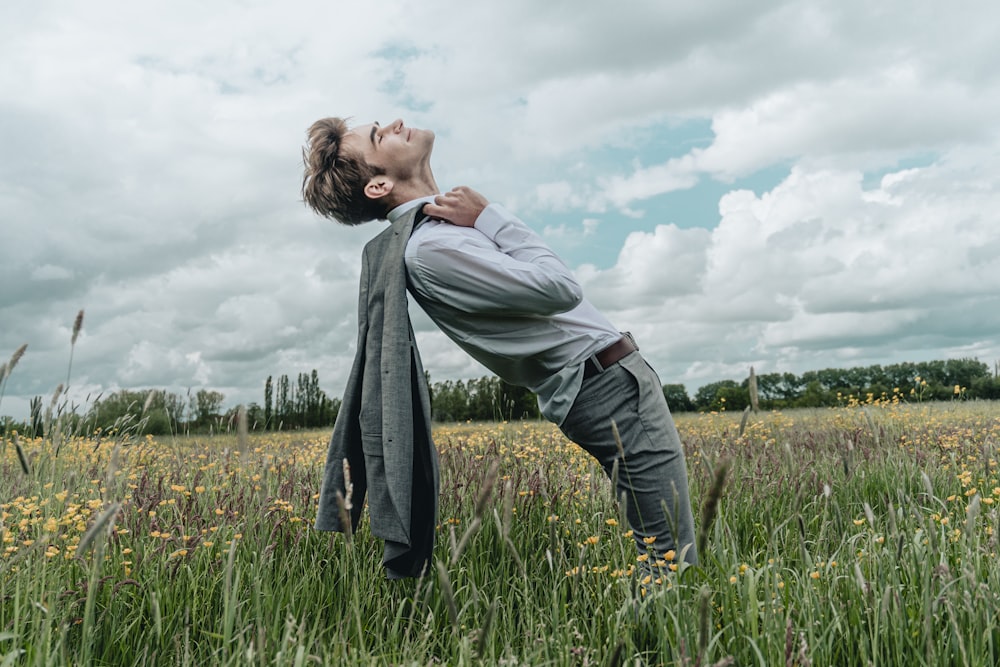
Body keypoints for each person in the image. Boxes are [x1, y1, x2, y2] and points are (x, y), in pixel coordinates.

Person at [303, 116, 697, 577]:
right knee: (671, 557)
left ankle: (661, 640)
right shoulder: (432, 249)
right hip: (605, 390)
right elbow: (560, 288)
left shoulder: (441, 235)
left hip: (607, 382)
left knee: (667, 550)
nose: (394, 124)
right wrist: (490, 215)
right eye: (378, 137)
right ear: (379, 185)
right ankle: (661, 647)